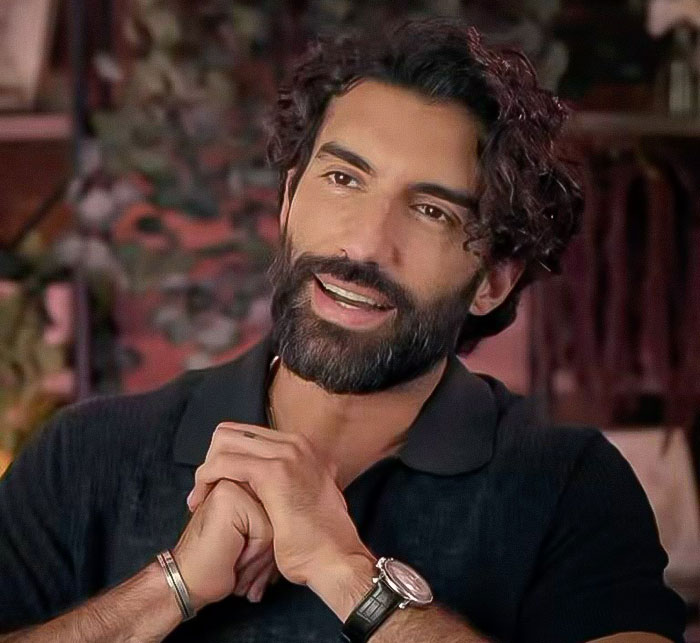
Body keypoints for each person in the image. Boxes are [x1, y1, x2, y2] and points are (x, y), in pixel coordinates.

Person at [0, 17, 686, 643]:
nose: (363, 245)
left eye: (430, 211)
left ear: (494, 279)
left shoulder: (569, 486)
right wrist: (171, 584)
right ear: (290, 197)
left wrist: (345, 569)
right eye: (342, 178)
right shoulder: (83, 455)